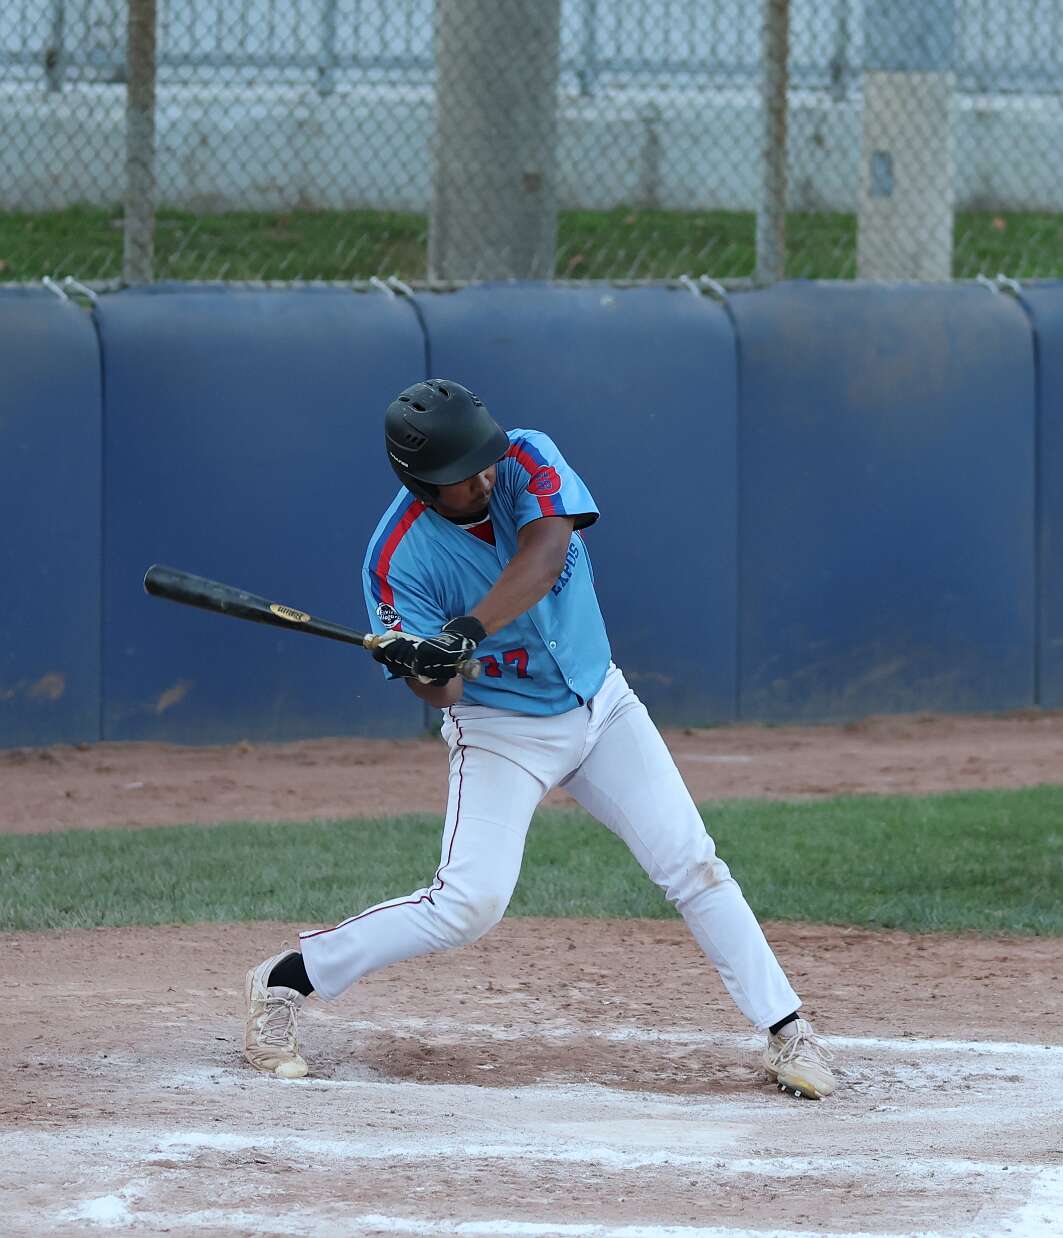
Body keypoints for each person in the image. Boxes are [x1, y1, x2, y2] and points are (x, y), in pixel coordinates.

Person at [239, 378, 835, 1100]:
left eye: (484, 461)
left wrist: (465, 629)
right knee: (469, 904)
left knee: (692, 860)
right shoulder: (396, 560)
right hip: (502, 729)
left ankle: (787, 1029)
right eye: (464, 476)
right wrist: (422, 663)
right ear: (422, 484)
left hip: (601, 702)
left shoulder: (526, 456)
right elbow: (442, 695)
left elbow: (546, 555)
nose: (485, 479)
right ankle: (287, 979)